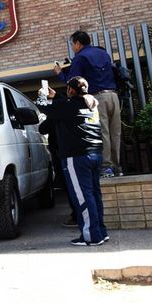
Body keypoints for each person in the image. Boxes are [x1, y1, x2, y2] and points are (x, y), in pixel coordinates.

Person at [37, 76, 108, 246]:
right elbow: (68, 108)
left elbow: (43, 107)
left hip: (76, 157)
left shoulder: (68, 106)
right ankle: (100, 232)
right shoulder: (92, 104)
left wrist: (42, 95)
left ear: (70, 90)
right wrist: (57, 98)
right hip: (95, 154)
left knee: (83, 198)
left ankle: (91, 236)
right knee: (94, 196)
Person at [54, 31, 122, 178]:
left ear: (78, 43)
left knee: (102, 132)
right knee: (115, 132)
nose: (73, 47)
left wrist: (60, 72)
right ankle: (117, 167)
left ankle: (106, 167)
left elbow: (72, 81)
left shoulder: (80, 57)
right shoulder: (103, 53)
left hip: (98, 98)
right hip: (113, 96)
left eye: (73, 44)